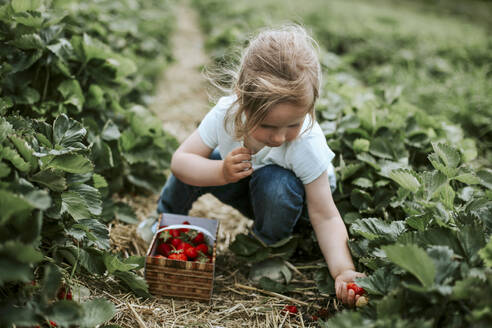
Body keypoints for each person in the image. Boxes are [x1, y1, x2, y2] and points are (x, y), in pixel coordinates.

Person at [156, 24, 365, 307]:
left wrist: (343, 271)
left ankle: (269, 251)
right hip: (245, 184)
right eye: (266, 125)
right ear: (241, 101)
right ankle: (165, 222)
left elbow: (324, 215)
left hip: (292, 205)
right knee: (200, 163)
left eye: (293, 123)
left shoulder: (306, 144)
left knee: (276, 182)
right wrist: (220, 172)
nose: (279, 137)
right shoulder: (225, 116)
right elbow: (181, 161)